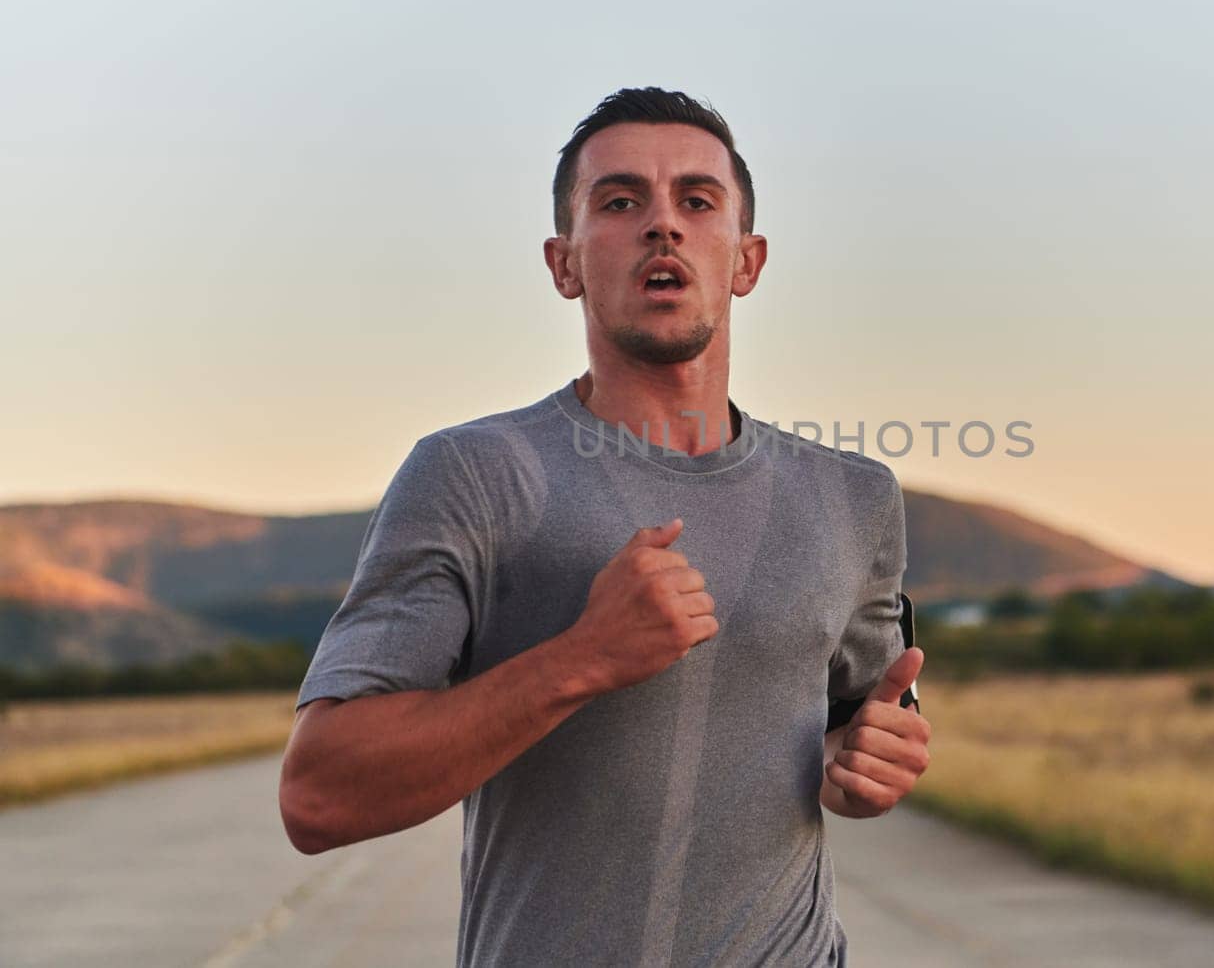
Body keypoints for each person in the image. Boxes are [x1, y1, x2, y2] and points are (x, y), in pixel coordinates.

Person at [278, 87, 932, 966]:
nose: (662, 226)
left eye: (697, 202)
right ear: (565, 263)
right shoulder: (472, 475)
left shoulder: (854, 496)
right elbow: (318, 796)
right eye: (620, 202)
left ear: (747, 259)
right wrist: (581, 658)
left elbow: (859, 721)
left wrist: (867, 764)